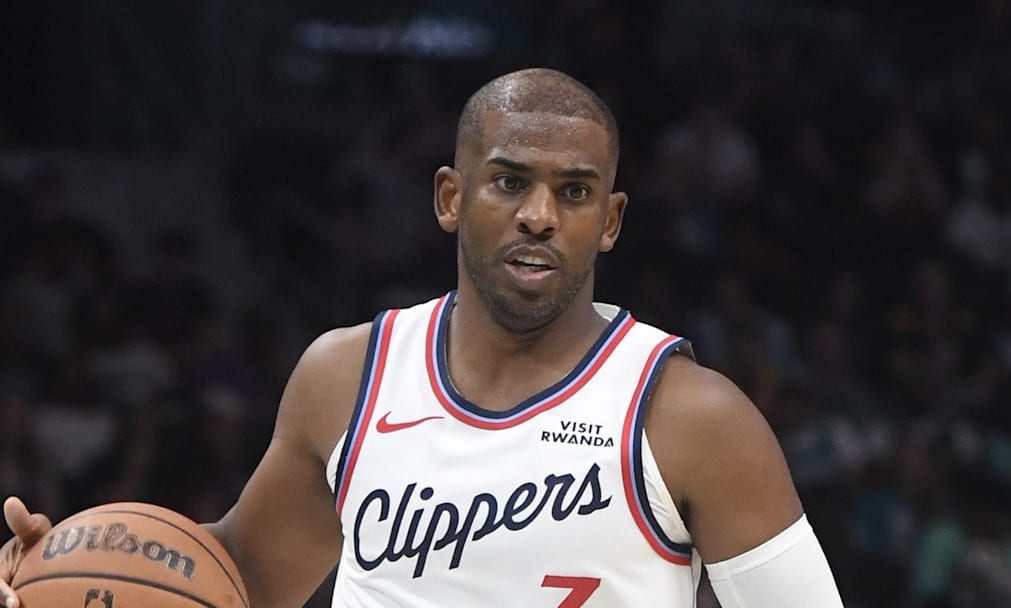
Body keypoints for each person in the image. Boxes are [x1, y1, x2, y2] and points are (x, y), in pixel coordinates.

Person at [1, 68, 844, 607]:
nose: (540, 216)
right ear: (450, 197)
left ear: (612, 219)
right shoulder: (347, 377)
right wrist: (67, 569)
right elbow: (237, 580)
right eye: (509, 181)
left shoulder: (693, 417)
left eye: (575, 191)